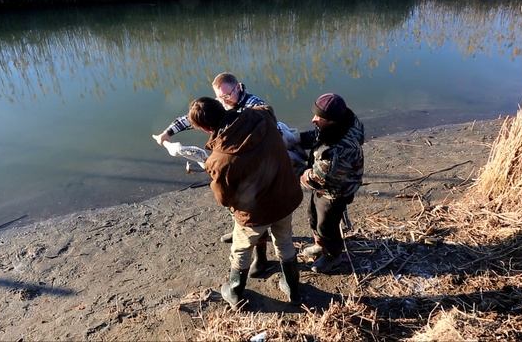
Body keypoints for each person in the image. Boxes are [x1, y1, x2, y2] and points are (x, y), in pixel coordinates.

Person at [152, 72, 272, 278]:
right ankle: (238, 230)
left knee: (255, 212)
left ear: (238, 88)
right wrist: (167, 133)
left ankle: (261, 257)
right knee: (235, 204)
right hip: (231, 164)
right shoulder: (222, 104)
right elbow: (194, 117)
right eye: (219, 97)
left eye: (227, 96)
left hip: (255, 167)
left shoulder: (254, 106)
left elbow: (269, 130)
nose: (223, 101)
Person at [187, 97, 303, 307]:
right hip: (285, 197)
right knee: (285, 241)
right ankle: (293, 288)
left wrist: (214, 178)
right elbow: (268, 107)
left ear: (204, 128)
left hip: (255, 214)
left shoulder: (219, 159)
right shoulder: (262, 116)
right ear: (222, 107)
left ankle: (234, 291)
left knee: (241, 250)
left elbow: (223, 199)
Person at [298, 93, 364, 273]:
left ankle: (333, 255)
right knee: (313, 213)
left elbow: (317, 180)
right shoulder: (345, 120)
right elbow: (319, 135)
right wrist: (297, 138)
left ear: (333, 121)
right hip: (328, 183)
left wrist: (297, 169)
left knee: (327, 225)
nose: (313, 119)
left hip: (336, 191)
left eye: (319, 117)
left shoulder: (337, 150)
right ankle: (320, 245)